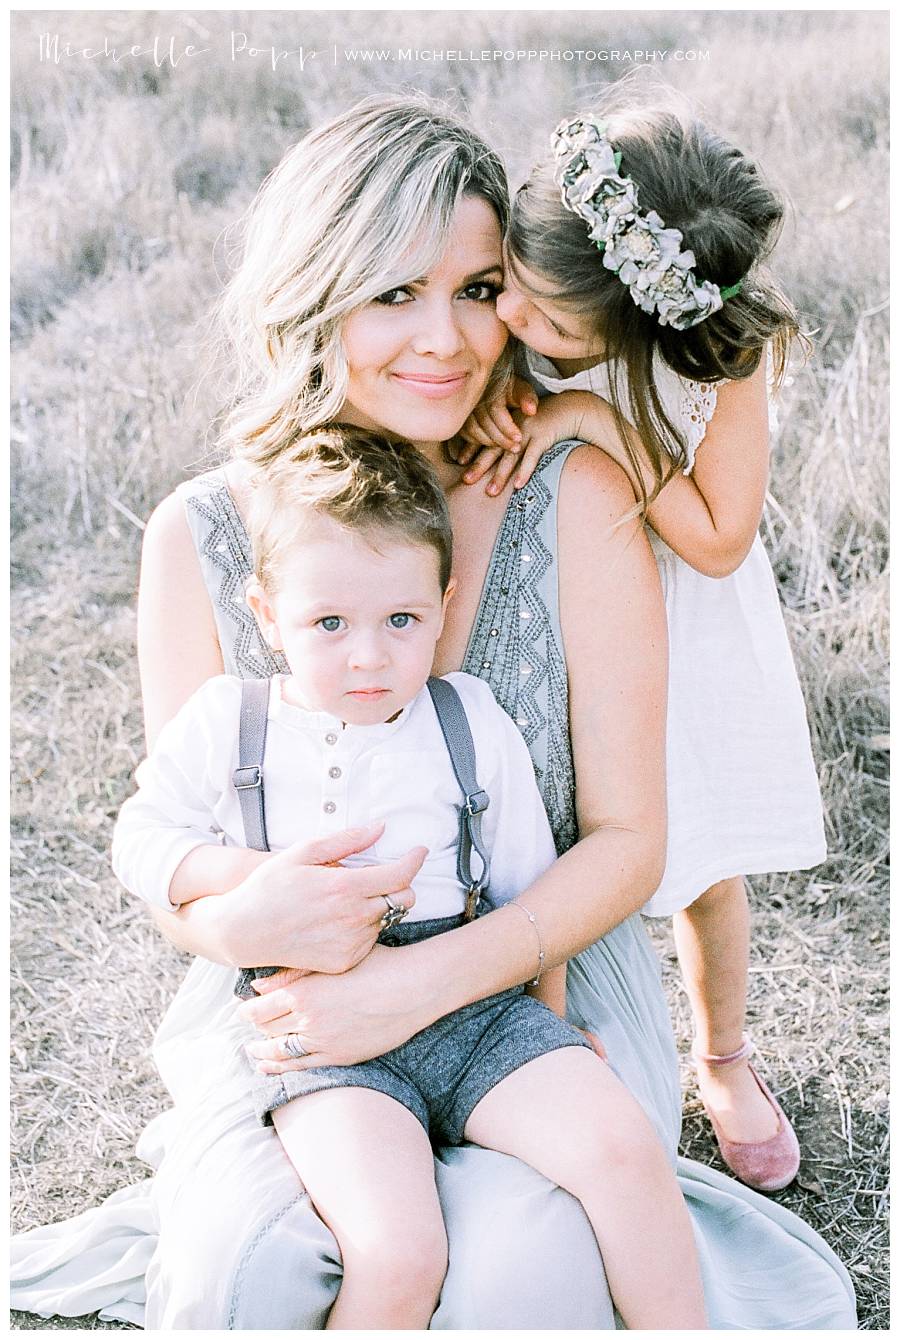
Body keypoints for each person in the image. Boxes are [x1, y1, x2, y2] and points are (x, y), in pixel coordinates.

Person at [11, 94, 854, 1330]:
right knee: (253, 1269)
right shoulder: (198, 533)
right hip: (290, 1007)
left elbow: (630, 838)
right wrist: (236, 910)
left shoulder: (570, 490)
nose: (450, 340)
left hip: (537, 972)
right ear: (316, 296)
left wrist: (426, 985)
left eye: (477, 287)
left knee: (524, 1273)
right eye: (394, 294)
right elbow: (173, 846)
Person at [111, 425, 708, 1330]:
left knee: (621, 1149)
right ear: (266, 615)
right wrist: (236, 876)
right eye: (328, 624)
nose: (367, 656)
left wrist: (547, 1025)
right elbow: (143, 839)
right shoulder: (230, 724)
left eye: (401, 620)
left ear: (444, 601)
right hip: (325, 1030)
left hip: (478, 1002)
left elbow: (524, 881)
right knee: (397, 1247)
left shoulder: (466, 718)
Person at [458, 96, 826, 1193]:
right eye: (506, 284)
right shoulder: (530, 300)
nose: (512, 311)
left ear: (632, 321)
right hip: (558, 597)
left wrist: (601, 424)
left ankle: (722, 1055)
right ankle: (543, 1037)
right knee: (545, 833)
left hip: (683, 624)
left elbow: (717, 538)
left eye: (546, 318)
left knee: (697, 859)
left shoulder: (723, 355)